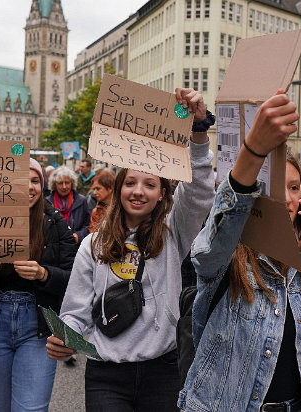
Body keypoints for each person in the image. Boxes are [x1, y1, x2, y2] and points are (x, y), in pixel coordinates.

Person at [177, 90, 301, 412]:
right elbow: (209, 249)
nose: (286, 197)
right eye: (273, 184)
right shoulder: (229, 258)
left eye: (294, 187)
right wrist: (253, 150)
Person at [46, 87, 216, 411]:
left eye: (150, 184)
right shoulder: (91, 245)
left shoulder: (173, 234)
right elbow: (76, 310)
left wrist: (198, 133)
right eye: (130, 183)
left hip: (163, 372)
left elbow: (199, 193)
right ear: (119, 188)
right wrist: (65, 339)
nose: (139, 192)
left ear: (162, 194)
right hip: (106, 377)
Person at [0, 158, 78, 412]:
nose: (28, 186)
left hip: (37, 326)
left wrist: (44, 274)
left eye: (35, 180)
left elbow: (74, 279)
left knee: (31, 409)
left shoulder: (56, 224)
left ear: (42, 185)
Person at [46, 165, 90, 246]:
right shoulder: (47, 202)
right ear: (54, 184)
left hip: (75, 247)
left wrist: (78, 236)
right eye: (60, 183)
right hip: (54, 249)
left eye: (67, 182)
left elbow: (87, 225)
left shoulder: (81, 201)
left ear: (72, 183)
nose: (64, 186)